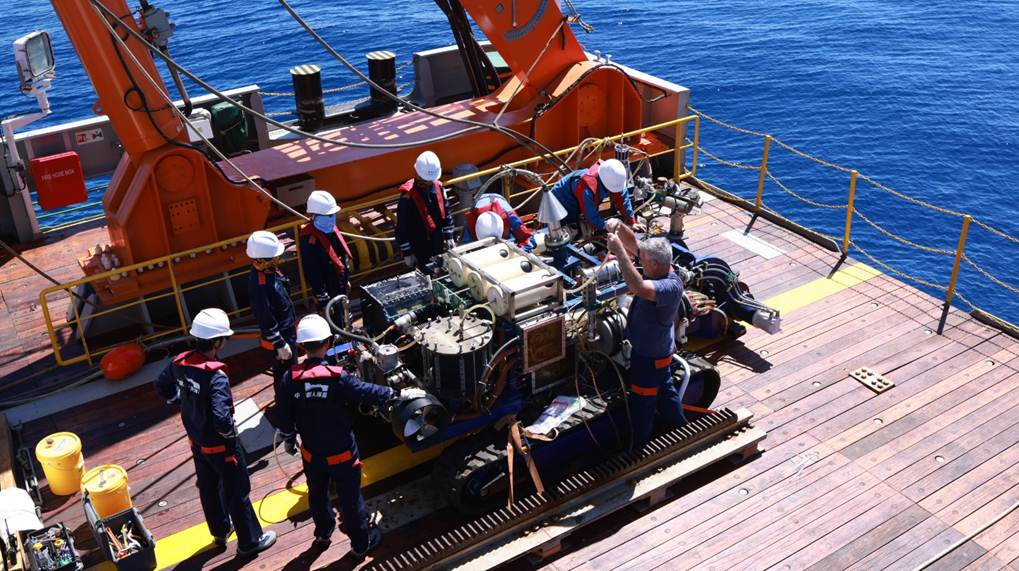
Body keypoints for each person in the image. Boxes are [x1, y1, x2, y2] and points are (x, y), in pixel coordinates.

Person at [276, 315, 425, 557]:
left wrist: (289, 438)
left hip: (312, 454)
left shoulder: (288, 378)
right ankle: (360, 544)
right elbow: (367, 392)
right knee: (350, 498)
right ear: (327, 342)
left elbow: (284, 412)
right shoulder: (338, 378)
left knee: (317, 494)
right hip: (342, 454)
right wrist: (399, 394)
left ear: (301, 346)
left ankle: (323, 533)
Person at [154, 308, 277, 557]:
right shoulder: (215, 376)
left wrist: (183, 402)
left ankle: (220, 531)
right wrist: (230, 438)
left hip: (197, 443)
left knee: (208, 488)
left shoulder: (179, 363)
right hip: (222, 448)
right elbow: (222, 420)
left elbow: (162, 385)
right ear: (218, 342)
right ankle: (250, 541)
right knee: (237, 492)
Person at [605, 223, 686, 449]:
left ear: (656, 263)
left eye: (643, 261)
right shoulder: (660, 264)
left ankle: (640, 450)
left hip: (649, 360)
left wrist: (619, 251)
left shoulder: (670, 287)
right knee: (666, 395)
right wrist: (620, 226)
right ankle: (683, 431)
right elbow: (635, 245)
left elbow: (638, 287)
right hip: (657, 355)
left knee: (643, 405)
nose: (640, 262)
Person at [246, 230, 297, 399]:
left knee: (291, 372)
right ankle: (284, 405)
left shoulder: (270, 272)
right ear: (263, 259)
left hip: (287, 331)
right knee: (284, 375)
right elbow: (264, 316)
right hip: (280, 338)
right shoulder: (259, 285)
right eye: (274, 257)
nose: (278, 259)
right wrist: (279, 343)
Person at [395, 150, 454, 274]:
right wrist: (408, 253)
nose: (429, 183)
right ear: (417, 174)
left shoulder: (439, 187)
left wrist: (449, 236)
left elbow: (446, 212)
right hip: (419, 245)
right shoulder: (407, 197)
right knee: (427, 275)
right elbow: (402, 228)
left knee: (443, 271)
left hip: (439, 241)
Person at [300, 191, 353, 323]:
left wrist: (345, 279)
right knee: (335, 321)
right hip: (328, 288)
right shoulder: (309, 240)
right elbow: (312, 271)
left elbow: (340, 255)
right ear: (315, 215)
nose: (332, 218)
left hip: (339, 282)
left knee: (345, 315)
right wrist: (322, 298)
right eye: (329, 215)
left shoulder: (330, 229)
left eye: (333, 215)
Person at [549, 158, 636, 233]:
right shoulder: (586, 188)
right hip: (561, 201)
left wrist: (632, 221)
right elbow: (591, 216)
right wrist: (606, 226)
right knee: (563, 231)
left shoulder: (613, 177)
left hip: (577, 196)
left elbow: (622, 197)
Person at [461, 193, 536, 251]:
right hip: (481, 200)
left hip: (500, 202)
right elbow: (465, 246)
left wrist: (519, 252)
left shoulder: (510, 216)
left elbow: (529, 240)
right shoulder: (472, 220)